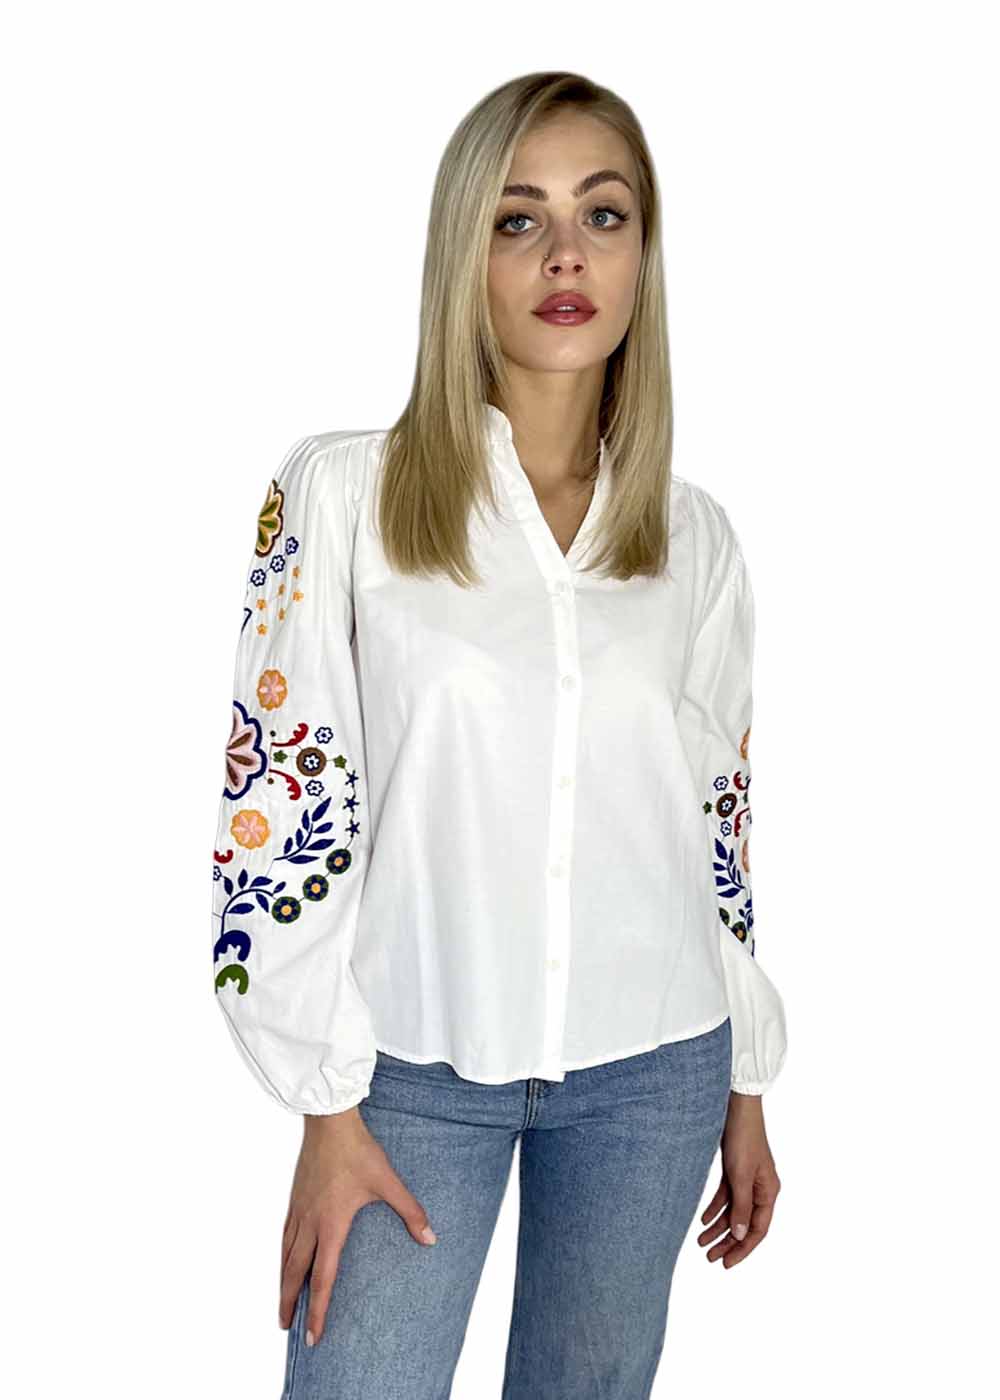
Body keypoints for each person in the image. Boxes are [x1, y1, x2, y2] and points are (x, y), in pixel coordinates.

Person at [211, 70, 787, 1400]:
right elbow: (279, 813)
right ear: (462, 256)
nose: (565, 254)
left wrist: (748, 1077)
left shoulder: (691, 538)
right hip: (408, 1074)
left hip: (656, 1073)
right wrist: (326, 1105)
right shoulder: (344, 497)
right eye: (518, 220)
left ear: (643, 257)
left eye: (604, 215)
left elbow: (716, 826)